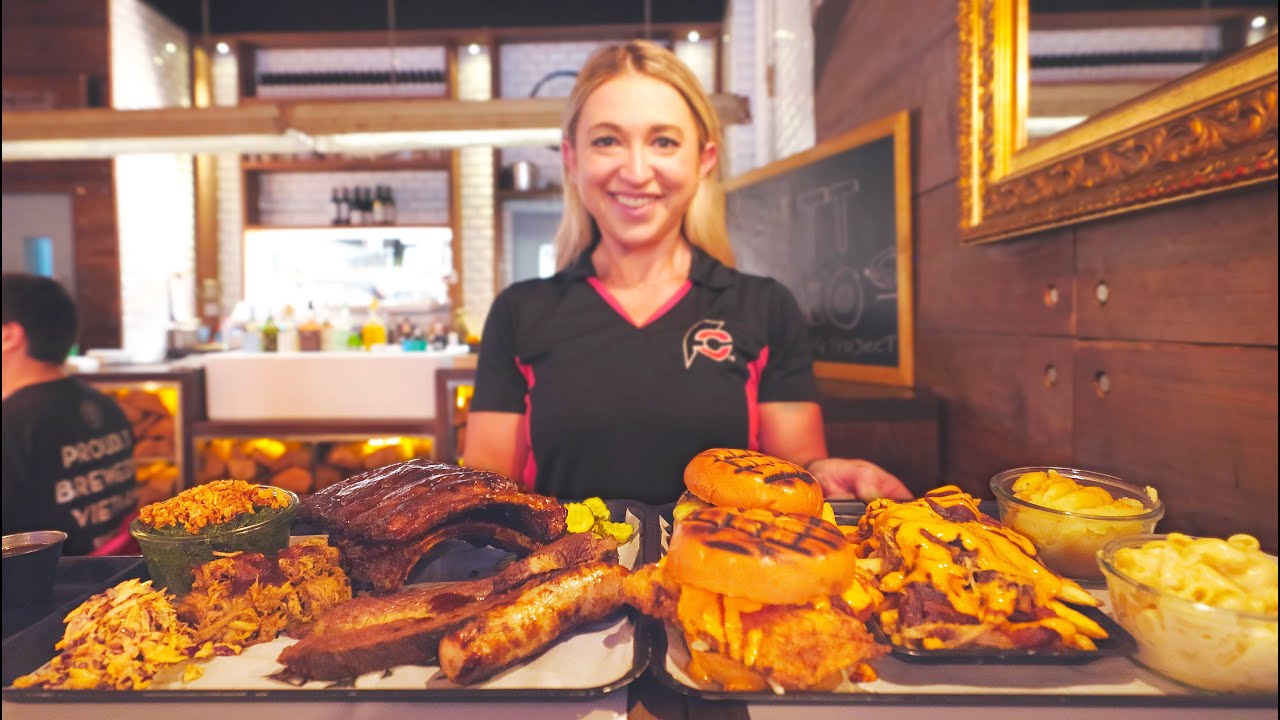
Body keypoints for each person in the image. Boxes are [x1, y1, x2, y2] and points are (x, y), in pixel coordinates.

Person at [464, 40, 912, 505]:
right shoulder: (520, 313)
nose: (636, 171)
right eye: (607, 141)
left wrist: (825, 475)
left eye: (664, 142)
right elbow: (486, 489)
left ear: (703, 160)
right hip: (564, 556)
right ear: (572, 160)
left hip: (722, 554)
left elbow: (794, 476)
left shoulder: (764, 308)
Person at [2, 273, 138, 554]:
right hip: (111, 575)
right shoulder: (105, 406)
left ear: (9, 336)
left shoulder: (11, 423)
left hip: (44, 580)